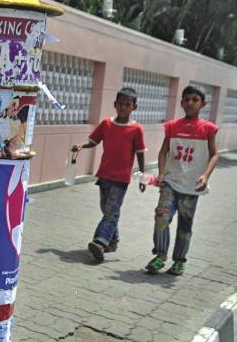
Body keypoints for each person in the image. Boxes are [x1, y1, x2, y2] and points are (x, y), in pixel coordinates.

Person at [145, 86, 219, 276]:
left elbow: (214, 154)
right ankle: (160, 255)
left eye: (195, 99)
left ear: (203, 104)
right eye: (186, 99)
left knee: (185, 226)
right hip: (170, 182)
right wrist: (161, 173)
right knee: (161, 217)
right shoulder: (172, 127)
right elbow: (163, 152)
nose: (190, 103)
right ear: (181, 103)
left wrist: (205, 175)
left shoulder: (208, 129)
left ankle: (179, 261)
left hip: (192, 187)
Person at [70, 87, 147, 262]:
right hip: (104, 174)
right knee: (107, 209)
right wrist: (82, 146)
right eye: (120, 104)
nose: (123, 107)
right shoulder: (106, 124)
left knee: (112, 211)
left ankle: (100, 242)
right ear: (115, 104)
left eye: (127, 105)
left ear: (134, 107)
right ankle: (112, 240)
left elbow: (140, 153)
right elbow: (93, 141)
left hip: (121, 178)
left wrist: (143, 176)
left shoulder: (136, 129)